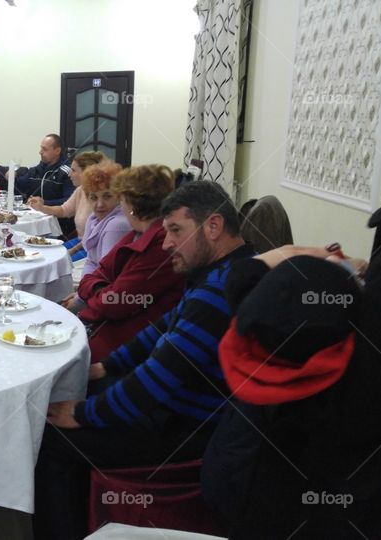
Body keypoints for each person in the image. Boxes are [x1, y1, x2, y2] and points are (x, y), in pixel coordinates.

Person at [33, 181, 253, 540]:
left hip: (187, 431)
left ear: (213, 226)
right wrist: (106, 367)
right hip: (182, 411)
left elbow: (157, 381)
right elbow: (160, 332)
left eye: (175, 231)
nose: (166, 244)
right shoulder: (229, 270)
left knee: (53, 441)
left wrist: (81, 414)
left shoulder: (220, 291)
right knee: (79, 391)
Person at [205, 246, 381, 538]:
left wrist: (315, 263)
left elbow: (246, 280)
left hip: (250, 502)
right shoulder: (367, 380)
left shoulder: (262, 337)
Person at [67, 165, 186, 362]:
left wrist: (92, 292)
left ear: (131, 206)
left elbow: (113, 303)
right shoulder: (136, 234)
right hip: (103, 326)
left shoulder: (161, 245)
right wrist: (98, 289)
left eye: (120, 200)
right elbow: (100, 272)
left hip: (122, 343)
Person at [27, 151, 104, 243]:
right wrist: (41, 207)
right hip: (80, 241)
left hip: (91, 247)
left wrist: (71, 251)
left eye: (74, 171)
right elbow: (63, 210)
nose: (69, 174)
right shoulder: (81, 190)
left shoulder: (101, 199)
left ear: (87, 172)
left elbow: (93, 240)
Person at [76, 161, 131, 277]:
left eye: (107, 196)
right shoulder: (94, 219)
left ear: (119, 196)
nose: (100, 204)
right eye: (94, 197)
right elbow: (90, 261)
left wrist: (82, 293)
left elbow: (106, 274)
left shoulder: (116, 225)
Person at [15, 134, 75, 235]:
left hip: (59, 226)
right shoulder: (37, 169)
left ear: (57, 151)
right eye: (41, 148)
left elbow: (70, 200)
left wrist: (44, 203)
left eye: (45, 149)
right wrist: (13, 177)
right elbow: (20, 186)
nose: (40, 152)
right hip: (36, 220)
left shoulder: (67, 172)